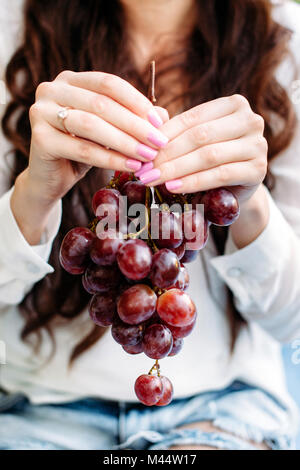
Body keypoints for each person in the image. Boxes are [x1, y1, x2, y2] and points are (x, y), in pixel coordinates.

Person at [0, 0, 299, 451]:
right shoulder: (12, 28)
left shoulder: (283, 38)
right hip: (38, 408)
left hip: (223, 408)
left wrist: (249, 205)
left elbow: (292, 322)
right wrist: (32, 194)